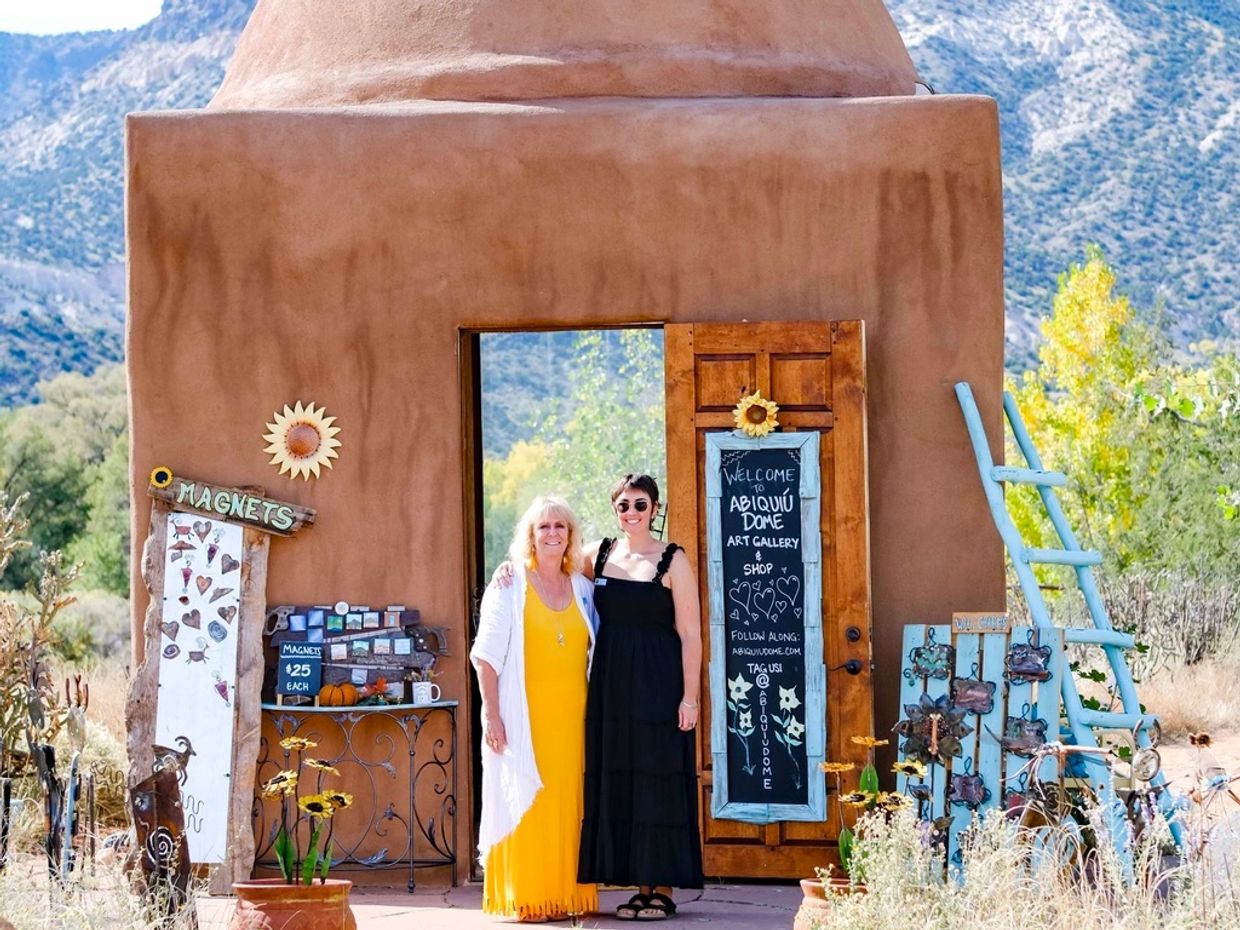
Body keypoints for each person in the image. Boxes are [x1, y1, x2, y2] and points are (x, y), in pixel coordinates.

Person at [578, 474, 704, 921]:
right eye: (623, 506)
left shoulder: (674, 559)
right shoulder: (599, 554)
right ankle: (638, 886)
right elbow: (547, 564)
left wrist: (689, 699)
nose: (631, 512)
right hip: (611, 687)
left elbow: (690, 634)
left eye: (640, 504)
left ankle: (662, 888)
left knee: (658, 779)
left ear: (655, 508)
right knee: (623, 778)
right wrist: (510, 568)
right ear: (615, 510)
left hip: (660, 685)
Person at [470, 495, 600, 922]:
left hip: (574, 718)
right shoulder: (509, 585)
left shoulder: (583, 589)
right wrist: (491, 713)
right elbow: (485, 656)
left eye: (560, 526)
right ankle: (528, 898)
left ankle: (567, 896)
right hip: (525, 716)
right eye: (543, 527)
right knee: (525, 798)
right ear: (530, 535)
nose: (552, 534)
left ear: (571, 536)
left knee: (568, 804)